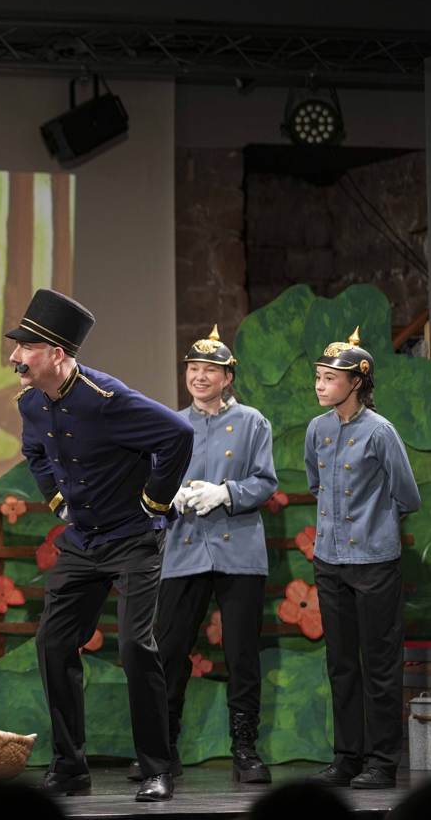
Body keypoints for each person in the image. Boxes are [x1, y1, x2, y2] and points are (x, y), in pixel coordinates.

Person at [7, 289, 193, 803]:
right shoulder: (31, 404)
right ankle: (70, 767)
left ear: (57, 354)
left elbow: (177, 435)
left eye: (26, 347)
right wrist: (57, 501)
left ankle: (157, 768)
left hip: (132, 539)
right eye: (16, 346)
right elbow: (35, 453)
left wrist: (155, 501)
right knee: (53, 643)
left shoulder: (106, 398)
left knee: (134, 646)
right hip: (82, 542)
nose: (15, 356)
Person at [128, 326, 276, 784]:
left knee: (242, 653)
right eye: (193, 368)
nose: (199, 376)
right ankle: (162, 751)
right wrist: (165, 498)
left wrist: (226, 493)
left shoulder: (253, 422)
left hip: (239, 552)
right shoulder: (170, 424)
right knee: (170, 652)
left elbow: (265, 481)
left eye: (209, 370)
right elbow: (151, 482)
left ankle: (245, 750)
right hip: (184, 549)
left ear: (227, 377)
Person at [304, 327, 419, 790]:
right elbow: (316, 483)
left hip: (373, 563)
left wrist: (374, 528)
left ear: (357, 382)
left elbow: (407, 495)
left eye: (330, 378)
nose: (320, 385)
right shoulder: (317, 429)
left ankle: (382, 762)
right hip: (329, 561)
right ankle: (346, 758)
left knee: (380, 664)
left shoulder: (380, 431)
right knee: (341, 664)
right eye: (318, 376)